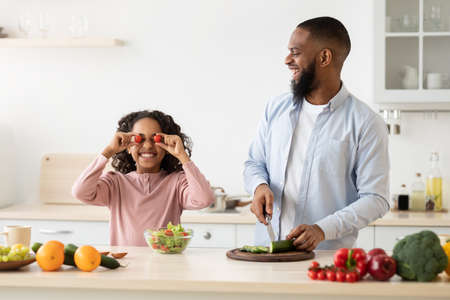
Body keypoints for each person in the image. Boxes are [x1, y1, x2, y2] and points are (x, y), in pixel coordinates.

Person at [244, 17, 390, 251]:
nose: (287, 60)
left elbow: (376, 199)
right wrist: (259, 186)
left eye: (296, 52)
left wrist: (322, 229)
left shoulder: (366, 123)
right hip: (267, 254)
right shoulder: (275, 108)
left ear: (324, 57)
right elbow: (254, 163)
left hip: (326, 260)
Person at [72, 110, 215, 246]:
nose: (147, 145)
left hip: (165, 265)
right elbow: (81, 192)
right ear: (128, 146)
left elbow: (204, 199)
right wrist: (108, 151)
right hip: (126, 265)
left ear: (165, 146)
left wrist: (182, 156)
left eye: (155, 139)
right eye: (139, 139)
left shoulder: (177, 182)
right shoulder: (115, 183)